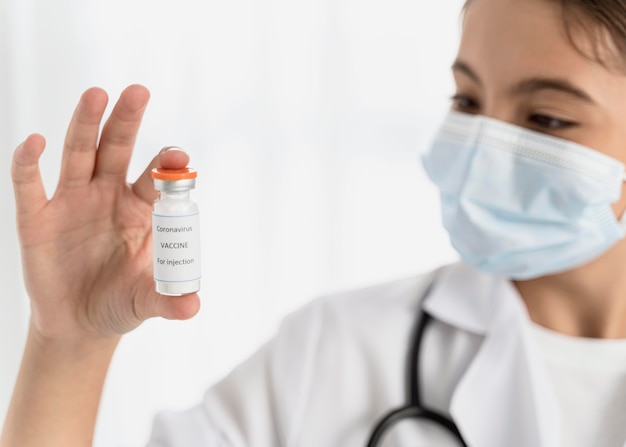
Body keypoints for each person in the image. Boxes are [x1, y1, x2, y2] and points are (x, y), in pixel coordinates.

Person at [4, 0, 626, 445]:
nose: (482, 149)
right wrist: (69, 346)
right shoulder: (333, 351)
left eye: (546, 119)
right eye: (467, 101)